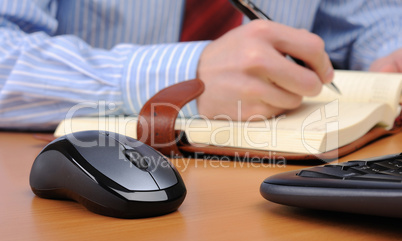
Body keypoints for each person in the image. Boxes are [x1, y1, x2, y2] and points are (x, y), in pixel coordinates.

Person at [0, 0, 401, 130]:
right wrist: (183, 78)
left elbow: (359, 13)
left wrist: (393, 46)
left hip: (282, 171)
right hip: (97, 165)